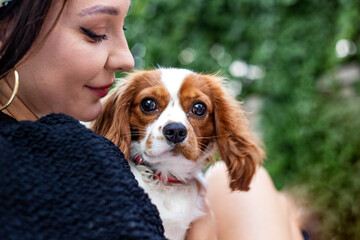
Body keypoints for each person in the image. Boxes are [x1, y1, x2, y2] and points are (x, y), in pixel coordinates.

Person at [0, 0, 306, 239]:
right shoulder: (62, 157)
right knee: (268, 201)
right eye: (94, 31)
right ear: (4, 32)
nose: (127, 59)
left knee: (263, 193)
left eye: (197, 110)